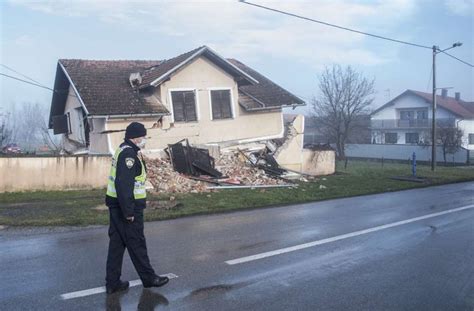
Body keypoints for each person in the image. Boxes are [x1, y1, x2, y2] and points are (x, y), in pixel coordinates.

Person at [105, 122, 169, 294]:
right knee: (137, 243)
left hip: (116, 206)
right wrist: (129, 212)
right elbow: (124, 185)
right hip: (126, 209)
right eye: (143, 136)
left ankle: (113, 283)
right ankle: (149, 278)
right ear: (135, 137)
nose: (145, 139)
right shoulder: (129, 155)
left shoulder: (125, 149)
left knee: (117, 246)